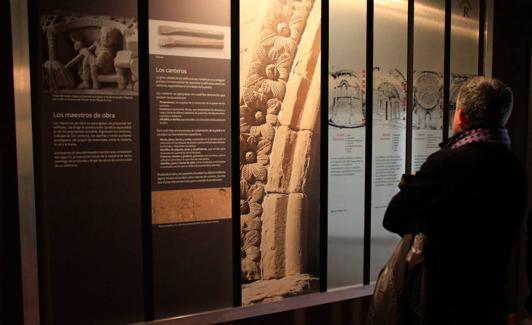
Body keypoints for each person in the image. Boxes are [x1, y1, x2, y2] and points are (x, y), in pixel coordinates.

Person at [382, 77, 528, 324]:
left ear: (460, 116)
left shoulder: (446, 163)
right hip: (490, 302)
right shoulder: (514, 167)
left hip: (441, 304)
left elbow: (393, 218)